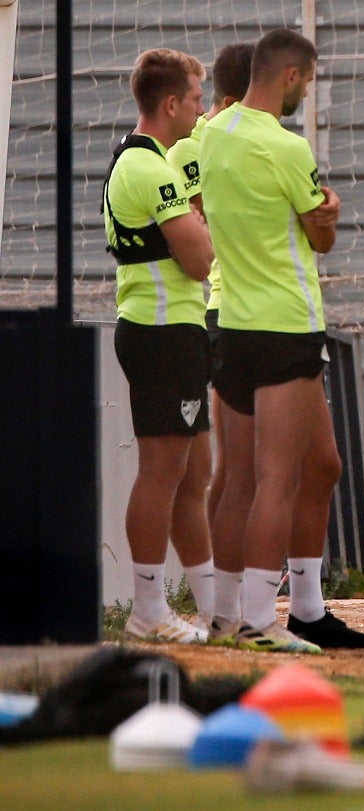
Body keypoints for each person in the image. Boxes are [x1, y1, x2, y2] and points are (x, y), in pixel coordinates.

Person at [201, 27, 364, 653]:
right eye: (309, 80)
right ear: (292, 77)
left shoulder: (207, 135)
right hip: (284, 323)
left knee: (252, 475)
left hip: (227, 322)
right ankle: (258, 620)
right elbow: (321, 237)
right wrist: (326, 211)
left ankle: (223, 616)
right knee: (277, 478)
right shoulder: (287, 147)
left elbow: (194, 202)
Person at [104, 48, 216, 643]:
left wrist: (198, 224)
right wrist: (201, 226)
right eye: (198, 98)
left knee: (194, 471)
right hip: (161, 332)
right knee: (163, 471)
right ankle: (148, 609)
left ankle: (212, 608)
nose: (202, 110)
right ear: (170, 103)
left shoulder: (146, 162)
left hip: (172, 331)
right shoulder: (151, 168)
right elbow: (200, 260)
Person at [166, 41, 253, 642]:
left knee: (284, 465)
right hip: (223, 313)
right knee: (220, 469)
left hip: (240, 313)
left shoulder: (231, 142)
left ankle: (245, 601)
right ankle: (224, 605)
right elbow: (201, 230)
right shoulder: (193, 148)